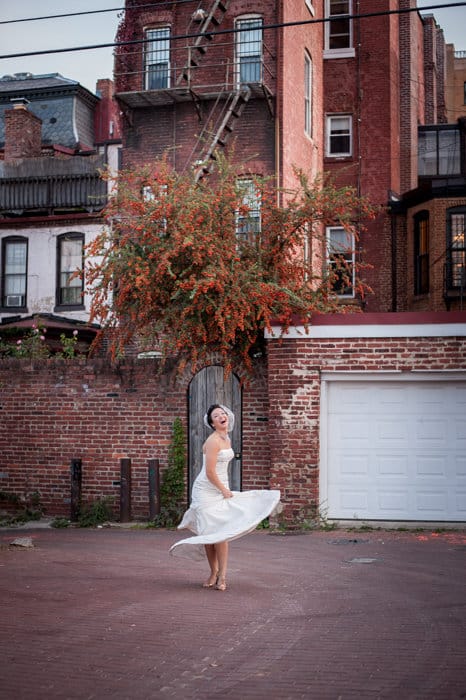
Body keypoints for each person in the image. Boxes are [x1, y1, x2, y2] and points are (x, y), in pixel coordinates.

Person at [169, 404, 281, 591]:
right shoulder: (213, 441)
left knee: (222, 531)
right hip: (206, 491)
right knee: (209, 533)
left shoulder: (226, 438)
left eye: (223, 413)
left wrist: (224, 488)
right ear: (212, 423)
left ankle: (222, 575)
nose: (222, 416)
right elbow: (210, 472)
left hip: (220, 487)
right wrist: (223, 490)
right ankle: (213, 572)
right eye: (216, 415)